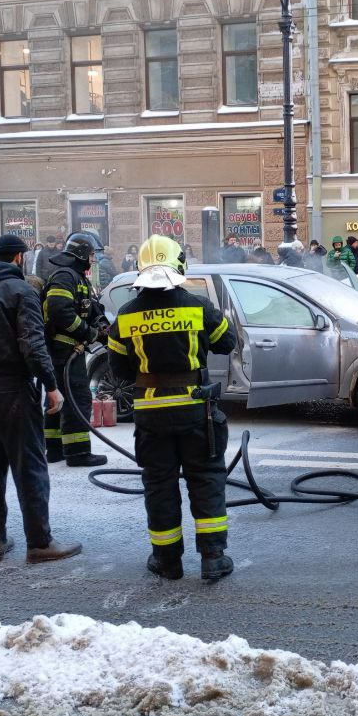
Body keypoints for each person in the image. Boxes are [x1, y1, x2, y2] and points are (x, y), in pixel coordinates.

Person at [106, 235, 238, 581]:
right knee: (206, 480)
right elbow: (227, 342)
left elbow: (118, 371)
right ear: (179, 267)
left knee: (159, 485)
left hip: (151, 415)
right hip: (197, 411)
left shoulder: (125, 316)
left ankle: (167, 562)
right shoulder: (197, 307)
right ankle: (213, 559)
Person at [0, 234, 82, 564]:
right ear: (19, 259)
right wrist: (51, 386)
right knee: (30, 466)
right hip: (13, 385)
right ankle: (39, 543)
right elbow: (32, 346)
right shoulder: (22, 291)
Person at [41, 231, 109, 468]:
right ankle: (78, 452)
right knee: (77, 398)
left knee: (58, 398)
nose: (94, 259)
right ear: (81, 254)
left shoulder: (76, 276)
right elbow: (60, 311)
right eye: (91, 254)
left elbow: (88, 308)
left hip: (66, 350)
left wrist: (100, 324)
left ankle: (55, 450)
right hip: (64, 349)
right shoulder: (64, 276)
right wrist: (89, 334)